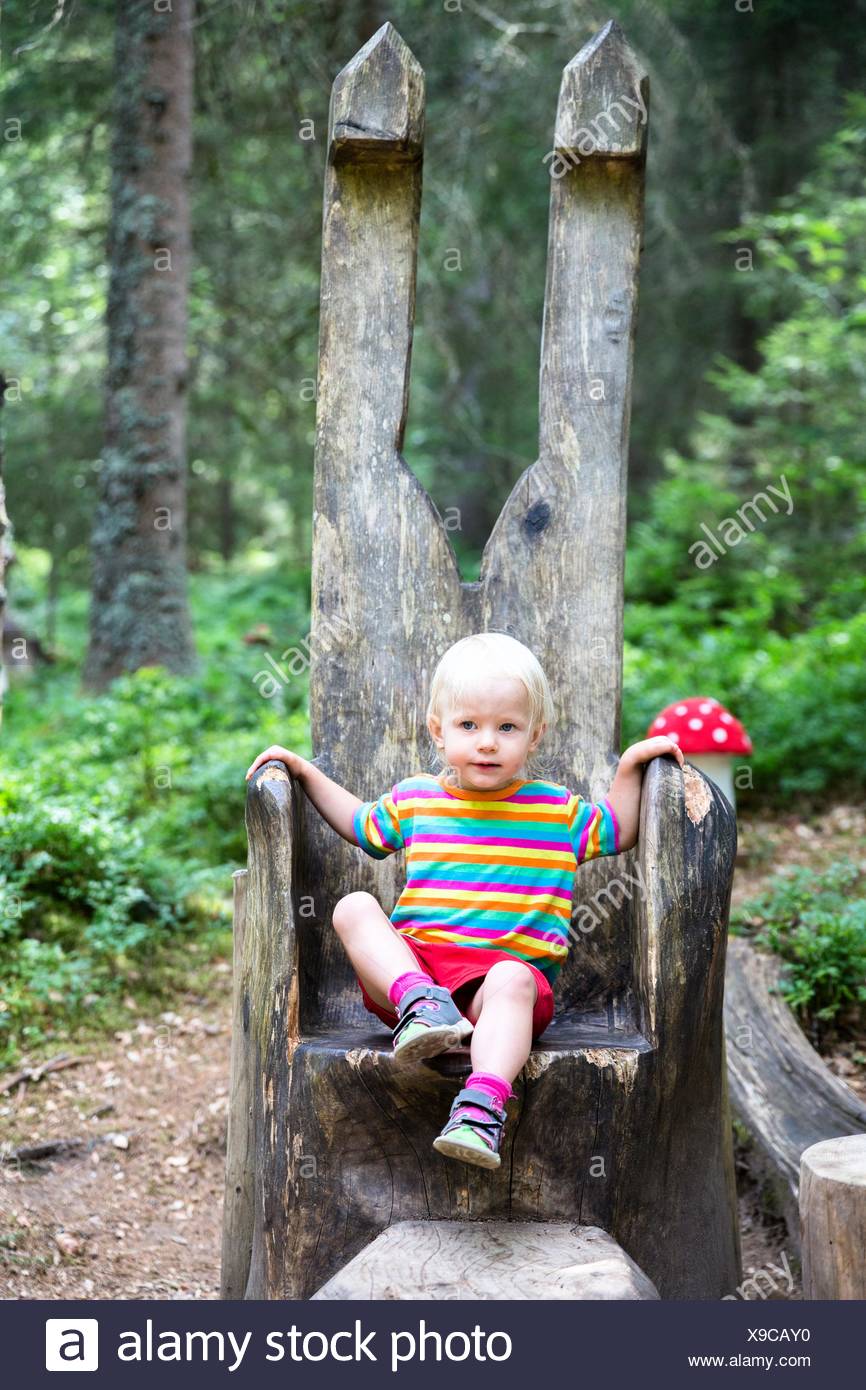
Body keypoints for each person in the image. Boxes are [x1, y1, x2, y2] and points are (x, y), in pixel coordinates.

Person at [245, 631, 684, 1170]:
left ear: (534, 735)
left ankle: (481, 1108)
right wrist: (307, 772)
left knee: (516, 980)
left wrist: (631, 766)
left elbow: (618, 830)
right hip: (417, 971)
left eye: (507, 728)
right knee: (353, 907)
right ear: (438, 730)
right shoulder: (417, 799)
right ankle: (421, 1006)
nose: (487, 743)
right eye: (468, 725)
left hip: (495, 992)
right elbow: (361, 826)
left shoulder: (556, 812)